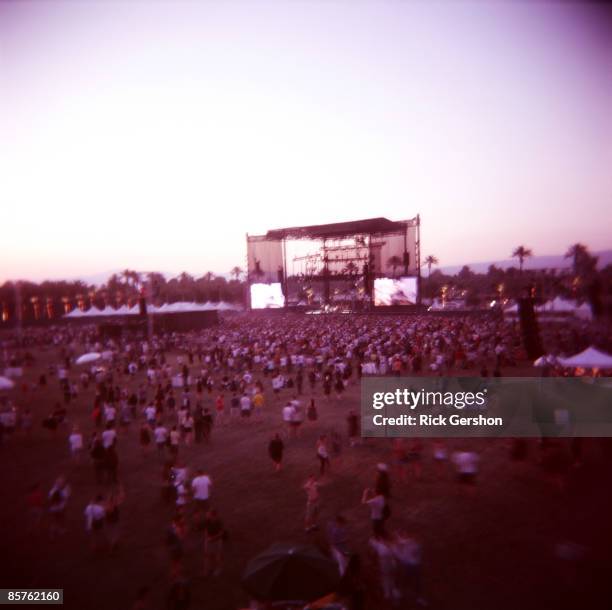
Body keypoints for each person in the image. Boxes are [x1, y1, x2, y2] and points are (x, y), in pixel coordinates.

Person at [392, 529, 427, 606]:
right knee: (405, 581)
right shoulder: (403, 544)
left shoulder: (411, 543)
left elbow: (415, 550)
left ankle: (415, 597)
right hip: (407, 565)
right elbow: (398, 554)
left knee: (414, 581)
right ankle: (399, 595)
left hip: (412, 565)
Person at [203, 508, 224, 577]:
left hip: (216, 541)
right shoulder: (207, 520)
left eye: (208, 514)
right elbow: (205, 529)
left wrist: (212, 538)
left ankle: (218, 569)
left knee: (217, 556)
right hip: (208, 540)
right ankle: (208, 569)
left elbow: (221, 533)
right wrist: (206, 537)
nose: (207, 515)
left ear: (213, 515)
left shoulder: (218, 522)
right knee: (207, 556)